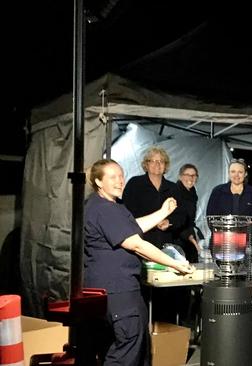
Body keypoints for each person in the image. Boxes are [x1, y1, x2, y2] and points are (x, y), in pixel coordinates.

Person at [81, 159, 193, 365]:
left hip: (106, 289)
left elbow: (132, 226)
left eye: (121, 175)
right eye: (112, 177)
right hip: (118, 289)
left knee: (116, 344)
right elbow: (136, 244)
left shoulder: (106, 205)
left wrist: (163, 212)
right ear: (98, 182)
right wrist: (174, 264)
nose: (120, 181)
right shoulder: (105, 209)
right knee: (129, 345)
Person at [122, 147, 181, 249]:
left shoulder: (174, 188)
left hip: (167, 243)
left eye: (161, 161)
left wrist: (169, 222)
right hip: (140, 242)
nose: (157, 164)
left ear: (165, 165)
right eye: (152, 161)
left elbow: (181, 215)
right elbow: (126, 212)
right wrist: (153, 222)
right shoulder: (134, 184)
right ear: (146, 164)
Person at [174, 163, 201, 263]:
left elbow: (190, 219)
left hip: (188, 235)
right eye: (187, 175)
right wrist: (190, 237)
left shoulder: (192, 193)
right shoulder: (175, 191)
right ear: (180, 176)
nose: (191, 178)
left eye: (194, 175)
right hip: (177, 238)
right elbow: (176, 219)